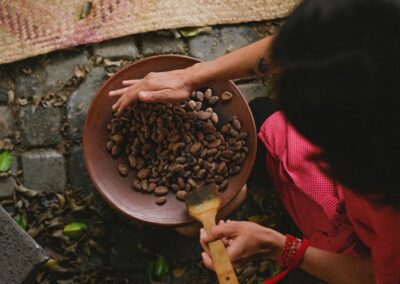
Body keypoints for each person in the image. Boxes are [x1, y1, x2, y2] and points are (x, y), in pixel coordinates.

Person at [109, 0, 400, 283]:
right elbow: (320, 44)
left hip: (366, 253)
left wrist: (279, 247)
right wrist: (192, 76)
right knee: (262, 116)